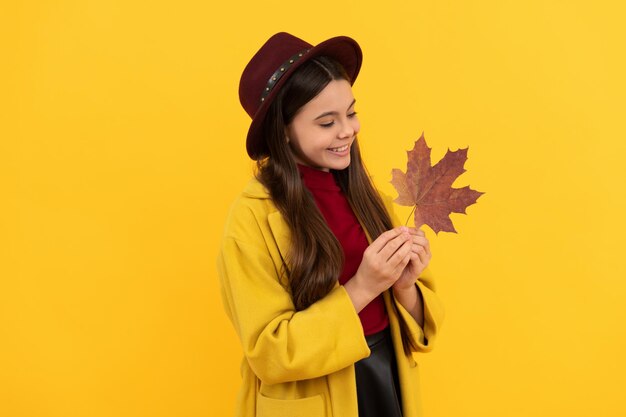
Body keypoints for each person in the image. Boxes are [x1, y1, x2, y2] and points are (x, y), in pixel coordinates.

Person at [217, 32, 444, 417]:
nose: (348, 131)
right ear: (284, 131)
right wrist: (363, 287)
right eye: (327, 122)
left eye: (351, 113)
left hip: (386, 379)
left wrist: (405, 286)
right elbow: (270, 354)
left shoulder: (368, 197)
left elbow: (421, 333)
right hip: (313, 399)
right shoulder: (251, 220)